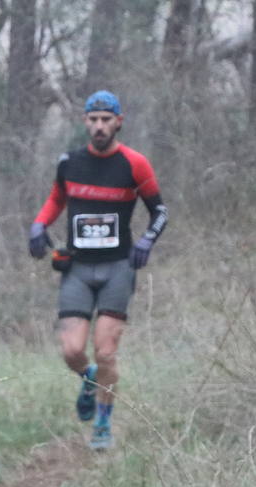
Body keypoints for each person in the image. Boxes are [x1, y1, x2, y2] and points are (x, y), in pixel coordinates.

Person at [27, 89, 168, 450]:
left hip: (117, 268)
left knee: (106, 352)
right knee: (72, 350)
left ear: (118, 122)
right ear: (85, 123)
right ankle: (90, 378)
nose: (100, 126)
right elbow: (58, 198)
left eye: (107, 120)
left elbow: (160, 212)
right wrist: (39, 226)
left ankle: (103, 424)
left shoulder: (134, 164)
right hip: (77, 268)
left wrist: (146, 242)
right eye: (94, 120)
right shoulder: (69, 163)